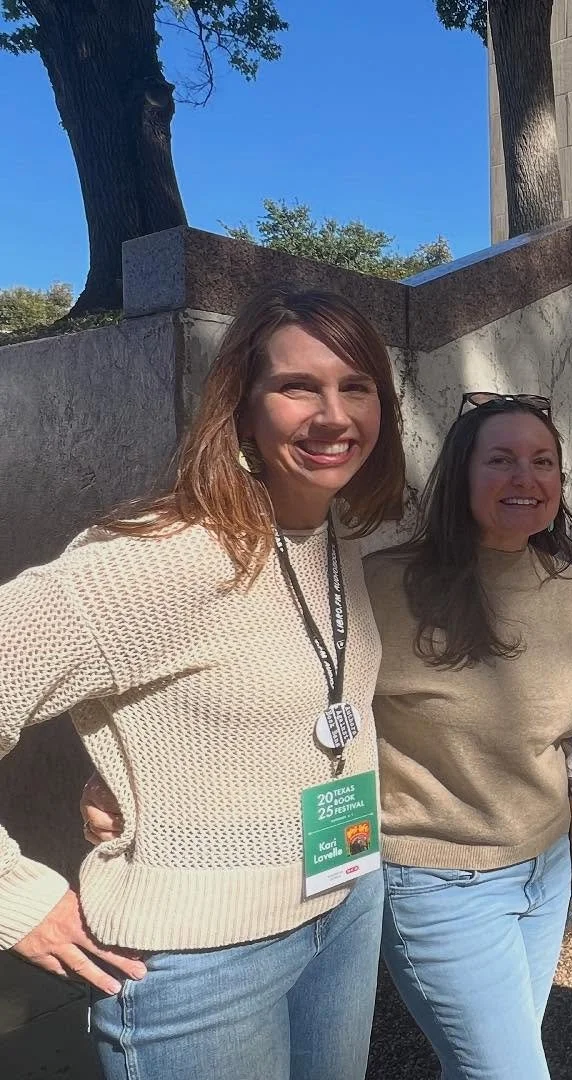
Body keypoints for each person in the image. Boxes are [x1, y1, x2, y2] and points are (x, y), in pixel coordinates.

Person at [0, 285, 406, 1080]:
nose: (334, 415)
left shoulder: (335, 541)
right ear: (241, 407)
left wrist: (135, 759)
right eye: (298, 386)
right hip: (204, 964)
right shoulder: (159, 560)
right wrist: (14, 897)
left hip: (346, 907)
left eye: (356, 386)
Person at [362, 393, 572, 1080]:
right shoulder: (384, 585)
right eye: (500, 460)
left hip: (544, 870)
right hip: (439, 884)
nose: (525, 479)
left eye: (542, 462)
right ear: (461, 475)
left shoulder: (567, 578)